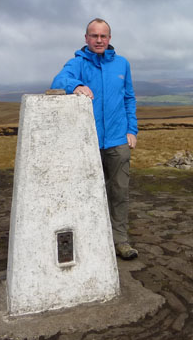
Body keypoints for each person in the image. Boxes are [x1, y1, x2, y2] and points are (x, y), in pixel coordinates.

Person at [50, 18, 139, 260]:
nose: (99, 40)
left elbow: (129, 98)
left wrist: (132, 130)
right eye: (94, 36)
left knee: (120, 192)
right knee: (88, 193)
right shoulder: (77, 63)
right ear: (86, 38)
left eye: (103, 36)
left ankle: (120, 241)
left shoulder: (122, 64)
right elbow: (58, 81)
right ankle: (93, 242)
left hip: (118, 140)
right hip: (88, 143)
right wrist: (76, 84)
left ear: (109, 39)